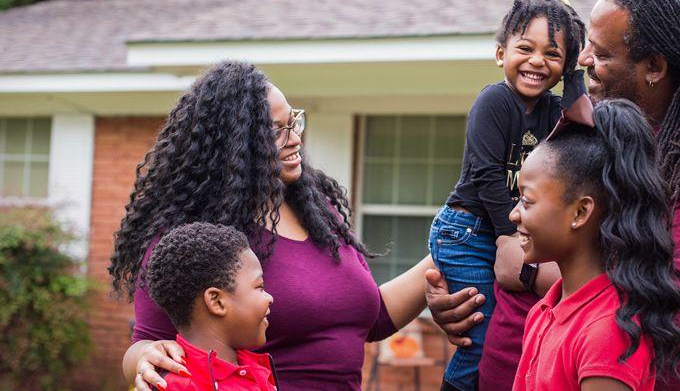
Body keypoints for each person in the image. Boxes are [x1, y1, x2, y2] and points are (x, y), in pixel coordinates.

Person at [427, 0, 680, 391]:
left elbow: (667, 316)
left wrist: (524, 274)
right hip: (511, 366)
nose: (581, 61)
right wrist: (457, 282)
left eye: (599, 52)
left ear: (654, 66)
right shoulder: (594, 125)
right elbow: (520, 216)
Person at [109, 61, 435, 391]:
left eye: (293, 122)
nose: (295, 138)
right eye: (276, 131)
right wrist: (146, 356)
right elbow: (145, 343)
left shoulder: (318, 213)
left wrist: (446, 252)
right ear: (233, 146)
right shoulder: (195, 237)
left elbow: (369, 318)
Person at [429, 0, 586, 390]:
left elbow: (583, 121)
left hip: (506, 228)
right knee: (478, 338)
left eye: (553, 54)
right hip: (466, 231)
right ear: (501, 54)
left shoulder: (554, 112)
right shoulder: (494, 101)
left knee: (502, 331)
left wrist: (574, 74)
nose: (537, 61)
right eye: (525, 48)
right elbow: (485, 176)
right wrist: (506, 236)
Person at [512, 98, 680, 390]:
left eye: (527, 201)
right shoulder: (544, 310)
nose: (513, 213)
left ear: (580, 212)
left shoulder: (608, 332)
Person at [145, 222, 277, 390]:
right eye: (259, 287)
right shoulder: (178, 385)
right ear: (216, 301)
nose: (270, 298)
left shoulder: (256, 371)